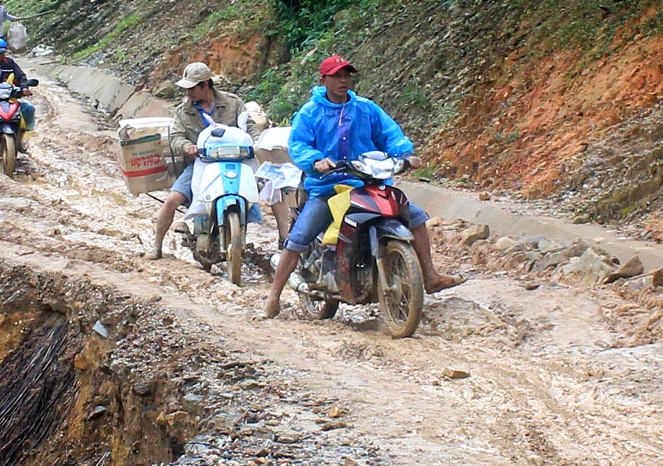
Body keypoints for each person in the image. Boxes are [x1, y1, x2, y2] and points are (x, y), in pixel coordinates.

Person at [264, 56, 461, 318]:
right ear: (323, 81)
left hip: (368, 183)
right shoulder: (310, 112)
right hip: (329, 187)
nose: (343, 80)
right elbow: (298, 145)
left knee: (414, 216)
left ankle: (430, 274)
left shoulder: (366, 108)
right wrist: (317, 161)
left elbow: (391, 134)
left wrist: (405, 154)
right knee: (300, 237)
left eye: (347, 75)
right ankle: (273, 297)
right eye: (336, 76)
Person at [148, 62, 262, 260]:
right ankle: (156, 246)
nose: (188, 93)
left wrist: (257, 142)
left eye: (192, 88)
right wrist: (186, 147)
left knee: (262, 193)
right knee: (171, 201)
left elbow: (249, 125)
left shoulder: (233, 103)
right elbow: (176, 137)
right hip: (201, 163)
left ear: (206, 85)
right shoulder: (183, 111)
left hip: (235, 162)